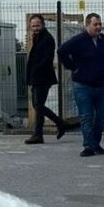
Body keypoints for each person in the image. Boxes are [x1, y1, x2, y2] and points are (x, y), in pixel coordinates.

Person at [58, 12, 104, 157]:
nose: (98, 27)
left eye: (100, 24)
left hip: (101, 86)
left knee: (102, 116)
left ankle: (95, 143)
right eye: (95, 24)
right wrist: (72, 67)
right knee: (86, 116)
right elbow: (61, 51)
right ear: (87, 25)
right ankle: (89, 146)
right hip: (83, 85)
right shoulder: (79, 40)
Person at [24, 13, 67, 144]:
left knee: (38, 105)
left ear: (43, 25)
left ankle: (41, 132)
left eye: (37, 25)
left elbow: (46, 59)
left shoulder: (47, 38)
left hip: (43, 77)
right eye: (33, 26)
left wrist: (35, 72)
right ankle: (57, 125)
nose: (35, 28)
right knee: (38, 105)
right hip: (37, 77)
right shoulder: (37, 37)